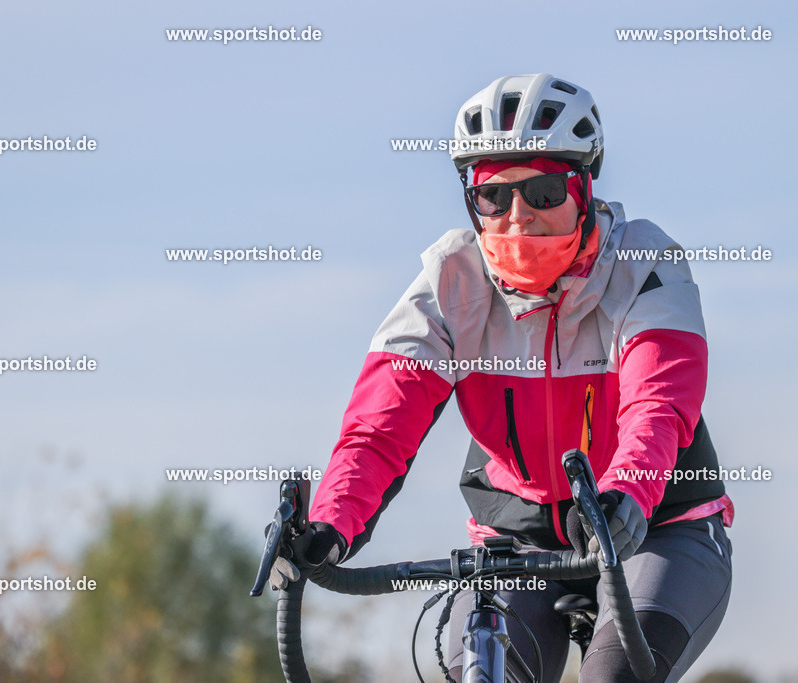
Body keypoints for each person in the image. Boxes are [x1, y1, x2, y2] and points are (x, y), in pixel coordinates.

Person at [270, 73, 734, 682]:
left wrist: (625, 495)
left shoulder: (644, 265)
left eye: (543, 191)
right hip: (517, 544)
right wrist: (328, 525)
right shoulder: (449, 281)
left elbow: (658, 406)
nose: (519, 217)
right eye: (494, 196)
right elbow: (379, 431)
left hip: (656, 528)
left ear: (583, 187)